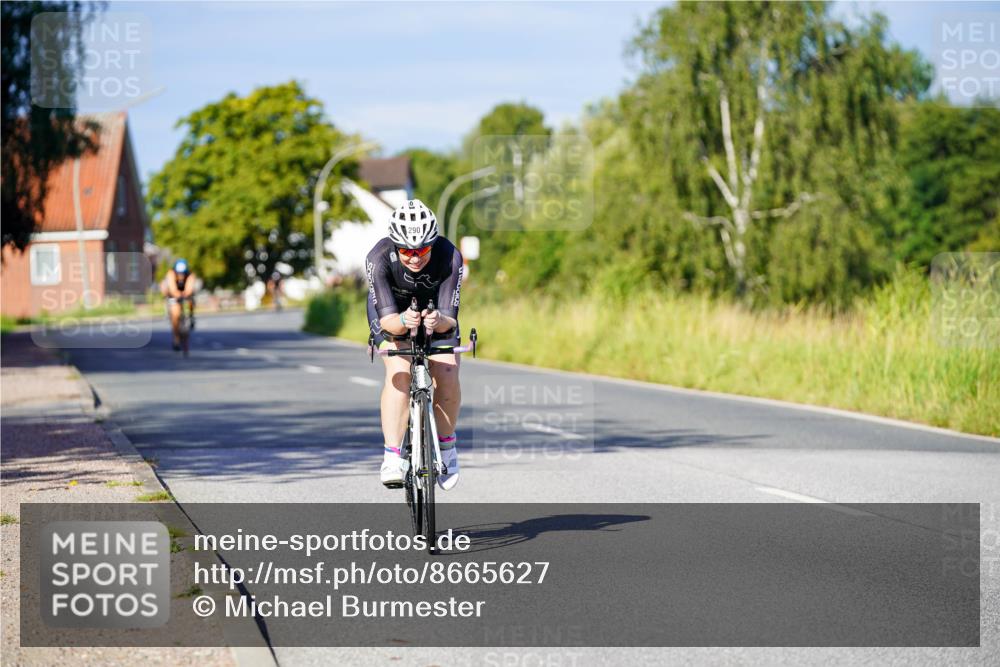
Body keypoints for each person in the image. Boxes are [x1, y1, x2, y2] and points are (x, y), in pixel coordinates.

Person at [365, 199, 463, 491]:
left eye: (422, 250)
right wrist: (404, 321)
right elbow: (388, 323)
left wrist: (437, 320)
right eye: (407, 251)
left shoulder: (449, 256)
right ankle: (392, 456)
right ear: (396, 246)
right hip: (392, 312)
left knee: (447, 372)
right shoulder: (378, 258)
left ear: (432, 244)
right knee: (399, 372)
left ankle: (446, 448)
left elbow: (450, 320)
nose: (415, 257)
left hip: (437, 311)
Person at [160, 258, 196, 351]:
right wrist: (177, 295)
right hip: (172, 293)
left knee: (191, 300)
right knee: (175, 313)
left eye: (183, 273)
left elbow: (189, 288)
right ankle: (176, 339)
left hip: (184, 292)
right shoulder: (171, 274)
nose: (181, 276)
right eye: (179, 273)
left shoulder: (190, 275)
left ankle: (191, 315)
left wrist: (186, 294)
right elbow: (172, 289)